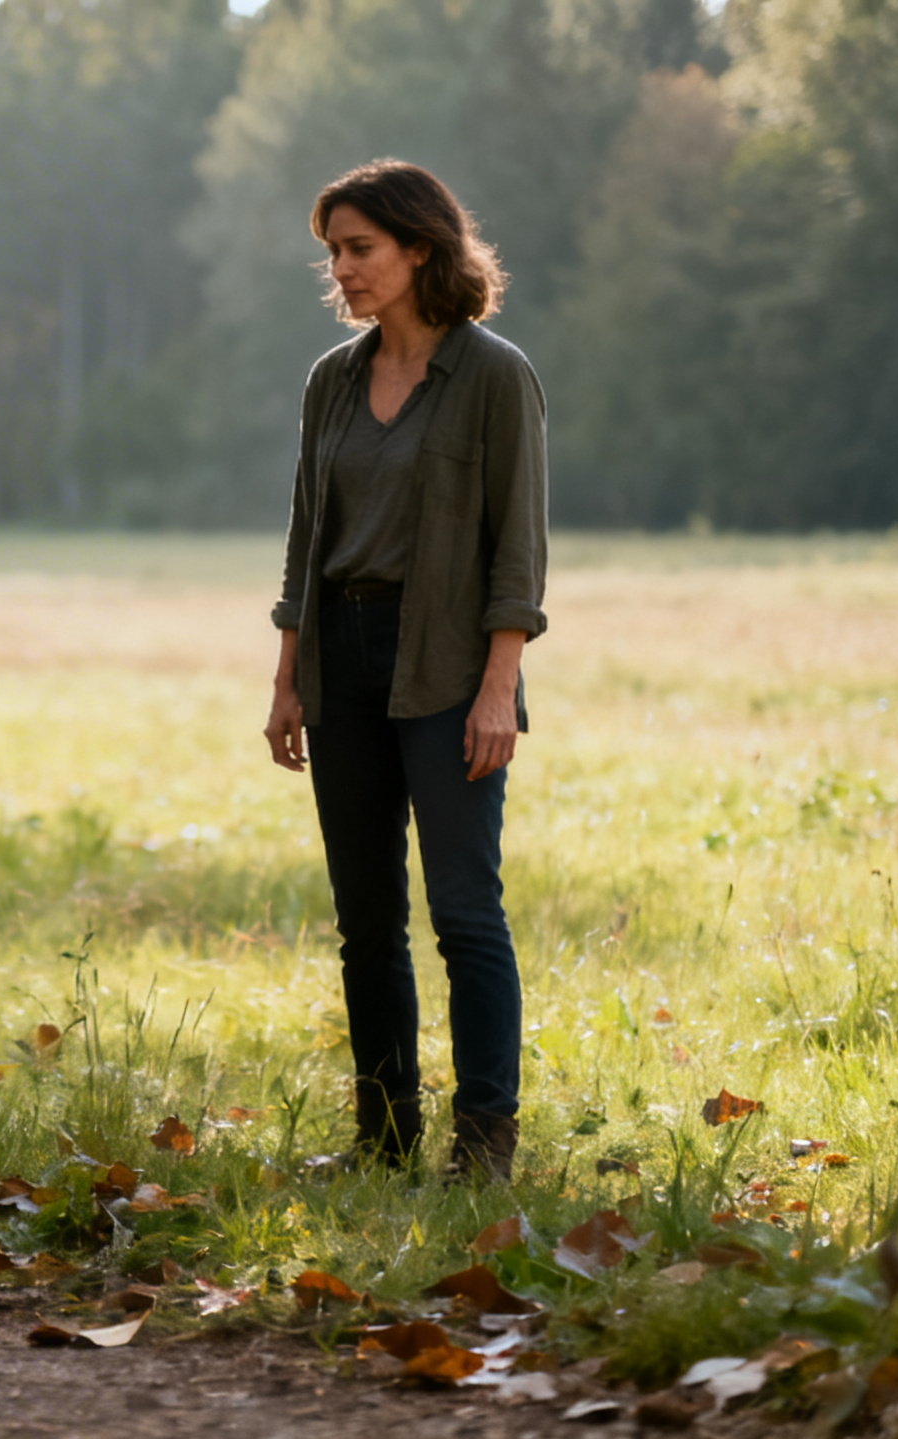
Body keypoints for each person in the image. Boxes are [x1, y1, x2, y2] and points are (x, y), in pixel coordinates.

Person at [262, 159, 547, 1182]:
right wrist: (289, 675)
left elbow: (517, 549)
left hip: (449, 667)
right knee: (365, 923)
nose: (340, 270)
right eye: (333, 251)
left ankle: (484, 1147)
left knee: (465, 913)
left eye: (359, 249)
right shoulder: (330, 383)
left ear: (419, 248)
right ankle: (383, 1144)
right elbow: (306, 538)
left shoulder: (492, 376)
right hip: (341, 665)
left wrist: (498, 687)